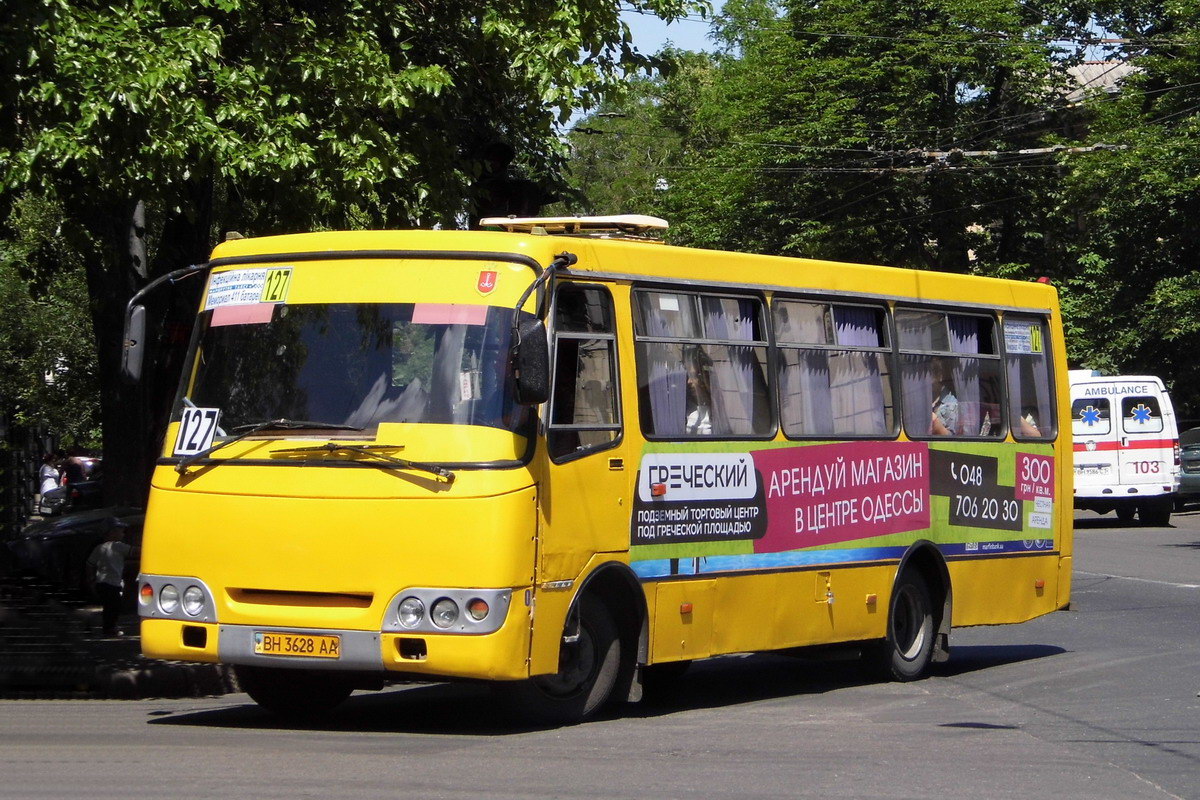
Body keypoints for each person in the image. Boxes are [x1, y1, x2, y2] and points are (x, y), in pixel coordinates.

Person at [87, 520, 133, 636]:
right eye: (121, 532)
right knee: (113, 607)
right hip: (112, 583)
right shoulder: (118, 546)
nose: (123, 534)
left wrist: (91, 580)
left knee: (108, 606)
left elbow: (90, 564)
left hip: (101, 582)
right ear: (112, 533)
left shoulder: (99, 548)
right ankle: (109, 629)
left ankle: (108, 627)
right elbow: (135, 551)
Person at [684, 348, 714, 435]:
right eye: (688, 375)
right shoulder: (684, 407)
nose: (689, 381)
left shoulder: (718, 410)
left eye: (693, 376)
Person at [930, 358, 959, 436]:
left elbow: (953, 440)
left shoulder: (951, 404)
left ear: (940, 376)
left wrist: (935, 423)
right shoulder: (924, 399)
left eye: (931, 374)